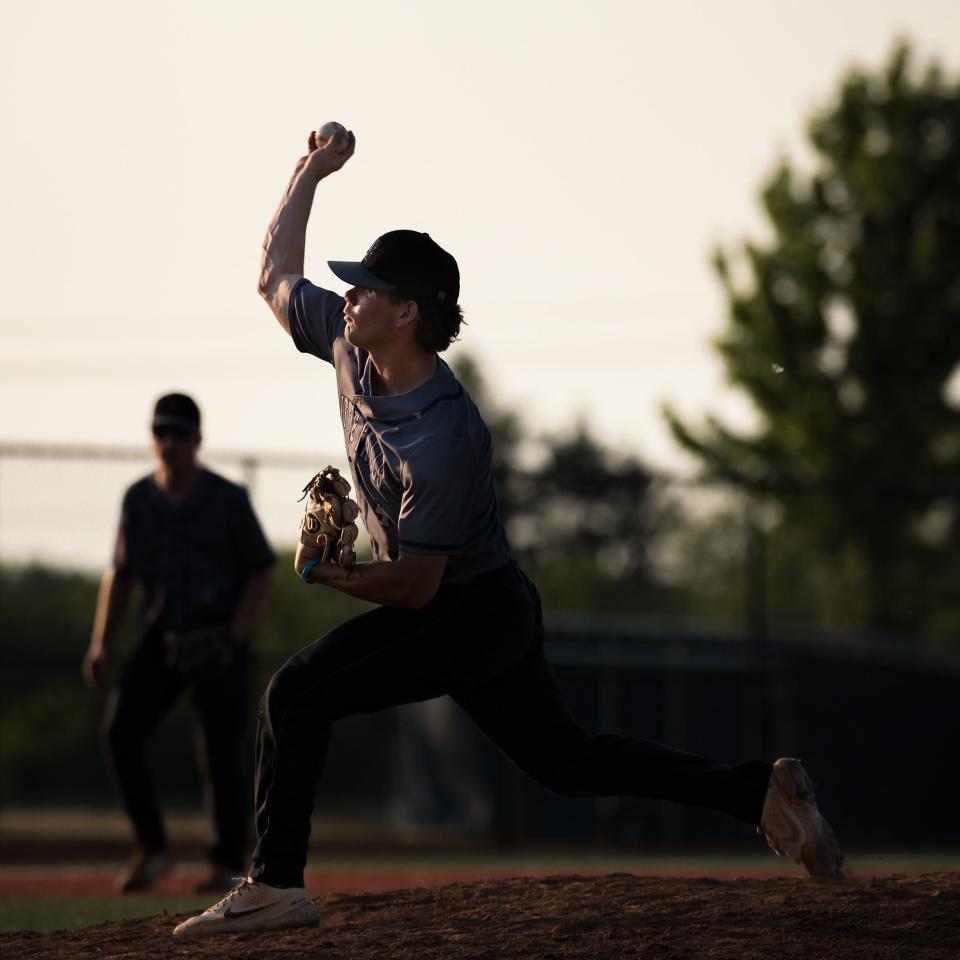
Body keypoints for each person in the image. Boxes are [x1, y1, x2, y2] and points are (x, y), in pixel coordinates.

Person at [173, 130, 845, 937]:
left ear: (408, 312)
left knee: (296, 693)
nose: (346, 297)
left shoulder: (444, 438)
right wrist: (309, 170)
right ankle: (758, 793)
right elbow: (273, 274)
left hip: (472, 611)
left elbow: (416, 588)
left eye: (365, 290)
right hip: (466, 604)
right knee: (569, 763)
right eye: (350, 291)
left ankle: (277, 883)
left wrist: (329, 570)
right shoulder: (353, 349)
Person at [82, 392, 275, 893]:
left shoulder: (227, 499)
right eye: (161, 434)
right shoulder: (138, 499)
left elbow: (260, 573)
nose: (169, 444)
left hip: (218, 639)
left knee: (220, 752)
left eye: (179, 434)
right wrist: (101, 642)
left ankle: (226, 863)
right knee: (121, 731)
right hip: (163, 635)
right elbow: (121, 574)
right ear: (152, 440)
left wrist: (234, 636)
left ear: (197, 441)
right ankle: (153, 849)